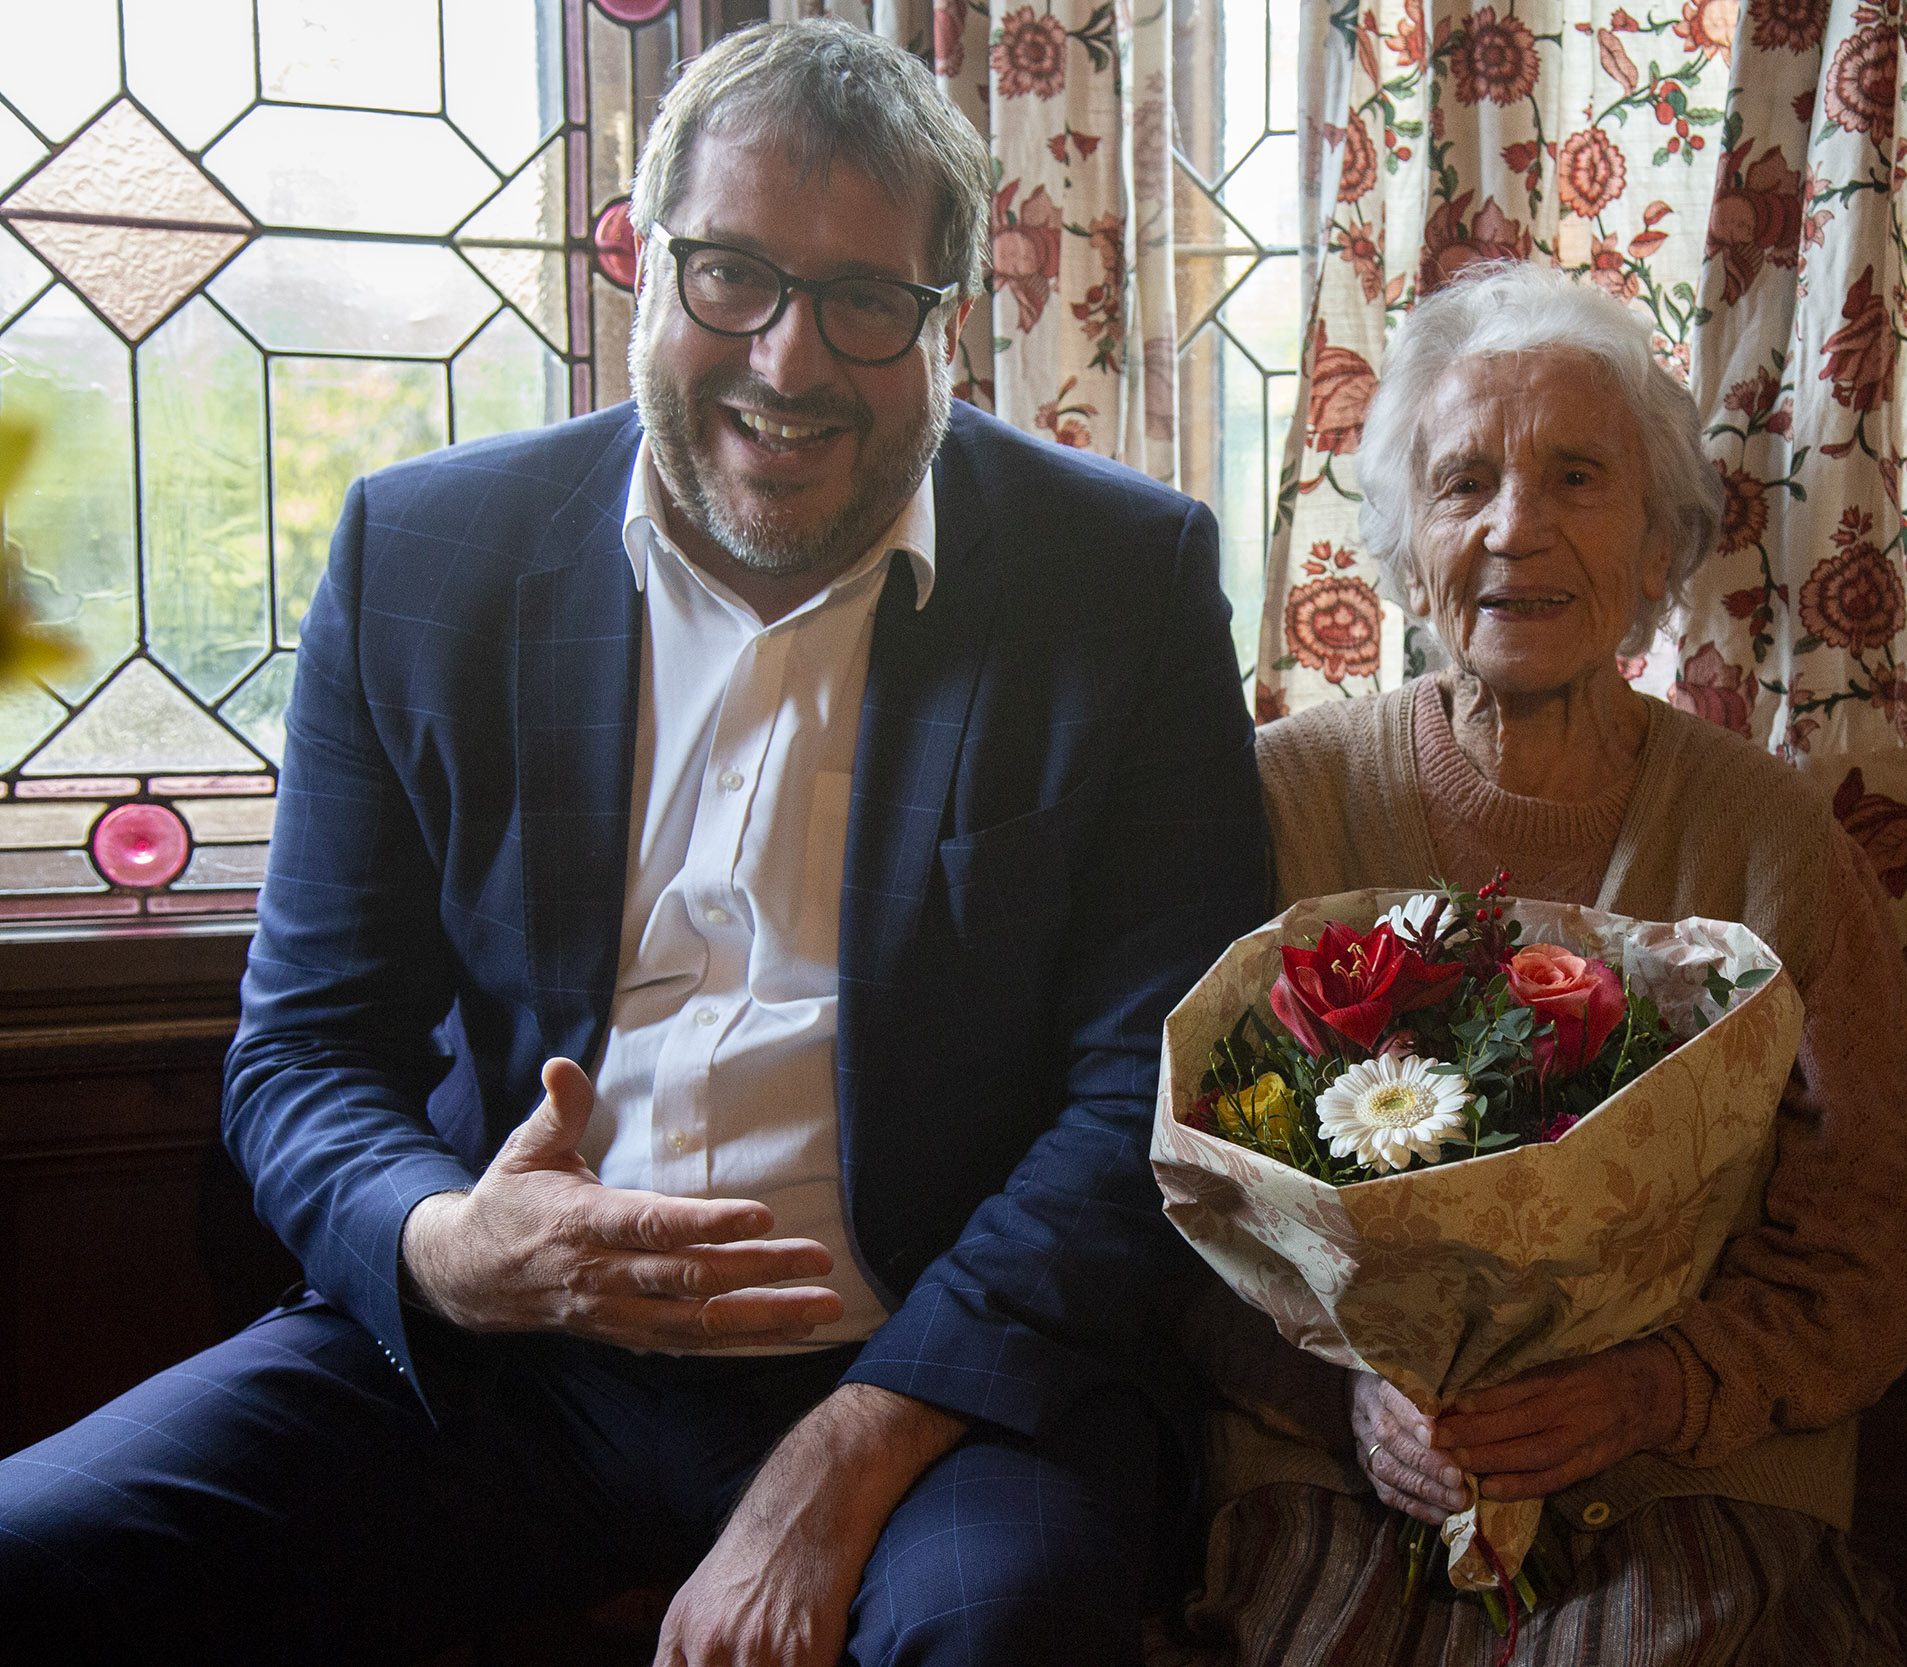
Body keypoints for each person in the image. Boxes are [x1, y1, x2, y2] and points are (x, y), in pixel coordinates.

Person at [0, 22, 1265, 1667]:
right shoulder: (419, 551)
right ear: (645, 270)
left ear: (950, 323)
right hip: (504, 1363)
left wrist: (849, 1450)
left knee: (1000, 1637)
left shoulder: (1122, 578)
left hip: (932, 1374)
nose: (789, 363)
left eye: (865, 301)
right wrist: (450, 1245)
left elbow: (1149, 1095)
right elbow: (303, 1051)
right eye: (733, 274)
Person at [1157, 260, 1907, 1665]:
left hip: (1680, 1464)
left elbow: (1874, 1229)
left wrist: (1660, 1387)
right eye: (1463, 483)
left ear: (1657, 548)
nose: (1516, 527)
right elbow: (1173, 1188)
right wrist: (1348, 1395)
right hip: (1349, 1460)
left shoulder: (1767, 834)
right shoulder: (1279, 800)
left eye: (1577, 478)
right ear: (1406, 552)